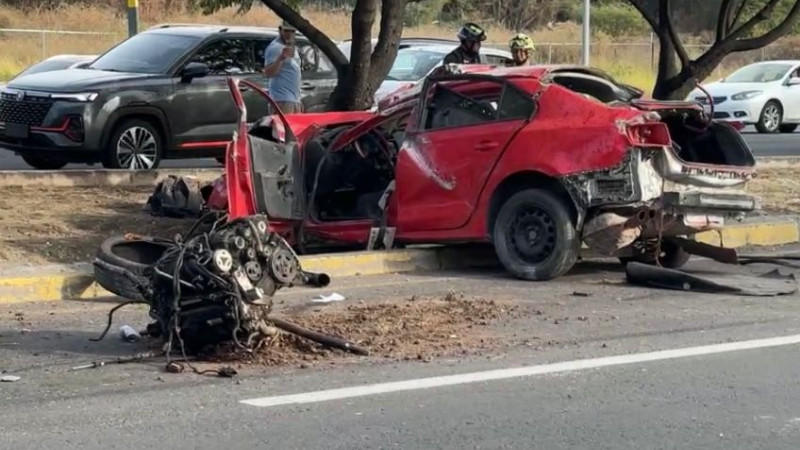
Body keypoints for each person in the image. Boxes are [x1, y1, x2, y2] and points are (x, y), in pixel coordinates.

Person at [263, 20, 302, 114]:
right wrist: (280, 58)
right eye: (286, 31)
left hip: (294, 98)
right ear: (280, 30)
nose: (289, 34)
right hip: (282, 98)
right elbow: (268, 73)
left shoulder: (290, 46)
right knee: (284, 128)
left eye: (292, 31)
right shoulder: (275, 47)